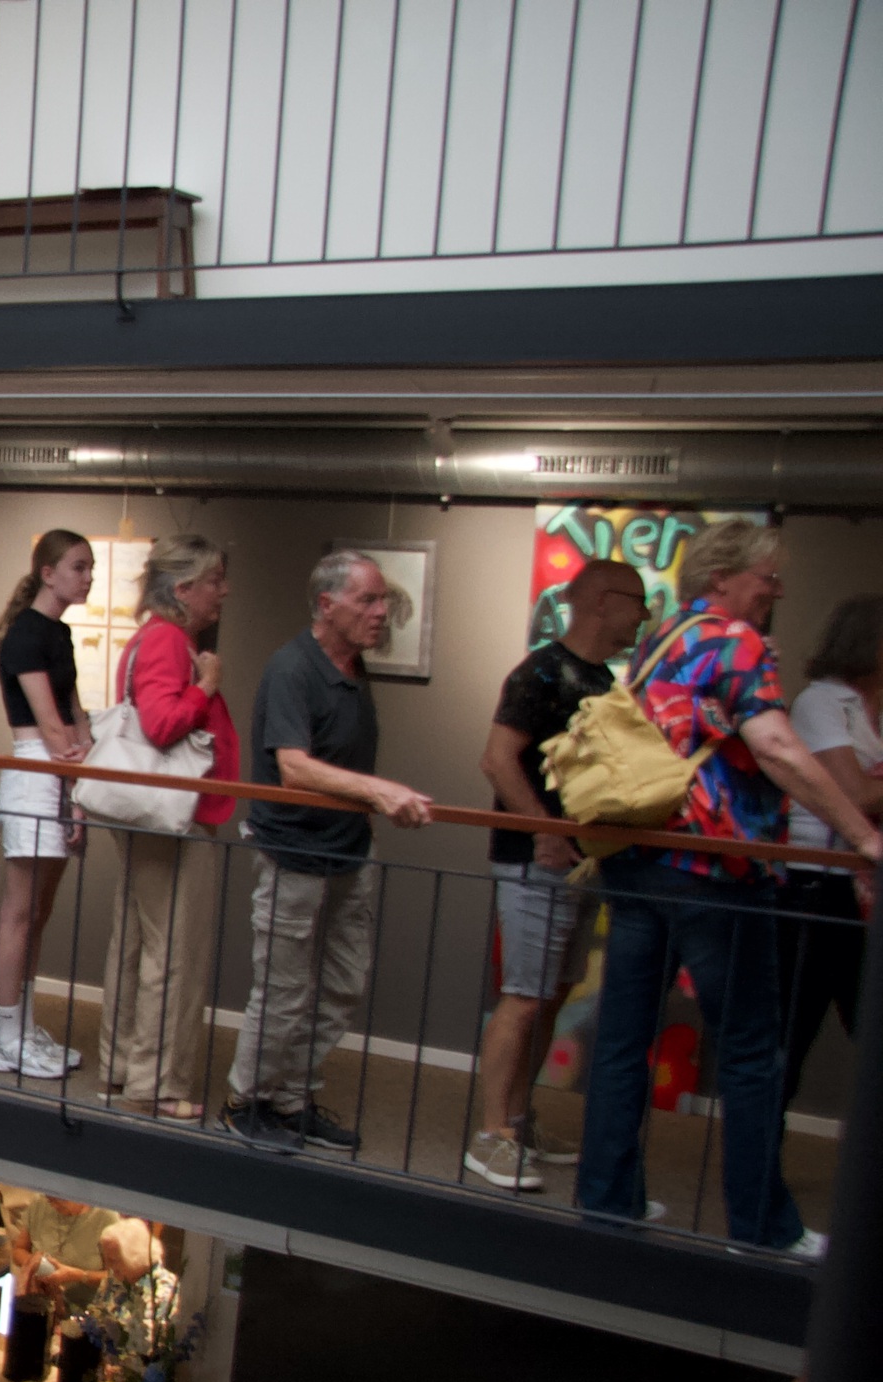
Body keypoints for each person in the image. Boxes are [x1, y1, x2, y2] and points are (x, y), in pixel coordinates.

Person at [578, 522, 882, 1254]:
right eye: (766, 577)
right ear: (722, 577)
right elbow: (775, 746)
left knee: (622, 1040)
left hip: (638, 858)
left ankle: (608, 1203)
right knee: (750, 1052)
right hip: (717, 869)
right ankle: (762, 1228)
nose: (776, 590)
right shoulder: (736, 641)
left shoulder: (662, 638)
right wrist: (863, 836)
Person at [221, 552, 434, 1152]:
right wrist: (379, 792)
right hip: (294, 853)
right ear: (327, 605)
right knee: (283, 992)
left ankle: (290, 1100)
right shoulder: (292, 668)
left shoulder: (354, 669)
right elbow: (293, 767)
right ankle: (245, 1102)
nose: (381, 611)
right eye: (368, 600)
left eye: (383, 599)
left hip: (347, 853)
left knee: (341, 986)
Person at [469, 559, 651, 1191]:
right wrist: (543, 830)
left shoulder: (601, 679)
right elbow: (497, 759)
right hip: (534, 861)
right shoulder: (541, 672)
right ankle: (492, 1135)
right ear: (602, 601)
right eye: (637, 602)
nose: (643, 616)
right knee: (524, 996)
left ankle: (517, 1121)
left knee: (548, 996)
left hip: (577, 862)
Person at [97, 534, 237, 1119]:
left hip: (156, 816)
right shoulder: (168, 641)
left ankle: (124, 1069)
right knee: (174, 950)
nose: (223, 592)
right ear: (183, 589)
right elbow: (161, 724)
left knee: (137, 941)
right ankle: (154, 1084)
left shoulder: (153, 637)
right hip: (173, 818)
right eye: (214, 581)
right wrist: (206, 685)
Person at [0, 529, 96, 1080]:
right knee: (19, 912)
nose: (88, 577)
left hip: (61, 775)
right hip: (36, 773)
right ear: (48, 573)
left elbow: (77, 717)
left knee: (39, 913)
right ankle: (5, 1037)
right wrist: (77, 782)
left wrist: (80, 790)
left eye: (91, 567)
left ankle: (23, 1027)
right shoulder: (26, 633)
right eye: (79, 567)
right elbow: (52, 727)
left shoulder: (60, 633)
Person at [775, 595, 883, 1108]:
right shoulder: (821, 703)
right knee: (791, 1033)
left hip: (864, 887)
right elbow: (854, 794)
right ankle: (759, 1152)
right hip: (814, 883)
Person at [0, 1180, 120, 1311]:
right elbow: (19, 1250)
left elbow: (116, 1278)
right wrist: (37, 1263)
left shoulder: (106, 1217)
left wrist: (77, 1275)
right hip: (39, 1307)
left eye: (59, 1199)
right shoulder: (41, 1202)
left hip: (85, 1317)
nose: (52, 1202)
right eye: (50, 1197)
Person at [94, 1219, 181, 1362]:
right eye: (105, 1259)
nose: (108, 1266)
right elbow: (96, 1319)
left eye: (113, 1260)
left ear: (135, 1256)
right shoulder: (114, 1279)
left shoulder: (163, 1291)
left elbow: (149, 1349)